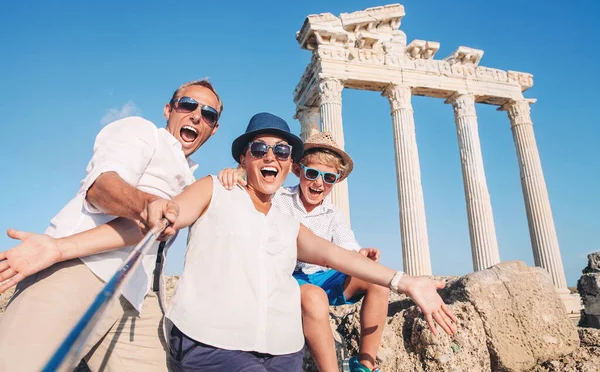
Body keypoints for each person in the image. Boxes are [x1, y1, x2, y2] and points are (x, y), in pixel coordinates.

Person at [2, 112, 456, 372]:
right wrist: (59, 248)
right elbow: (154, 223)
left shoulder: (286, 218)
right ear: (243, 157)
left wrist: (405, 281)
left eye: (282, 151)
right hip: (213, 344)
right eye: (260, 149)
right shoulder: (215, 189)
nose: (271, 157)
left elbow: (336, 254)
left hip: (281, 349)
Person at [0, 78, 222, 372]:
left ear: (214, 128)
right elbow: (101, 186)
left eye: (208, 113)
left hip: (138, 299)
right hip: (78, 271)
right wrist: (146, 205)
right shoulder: (142, 132)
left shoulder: (192, 180)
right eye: (188, 104)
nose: (197, 115)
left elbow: (141, 232)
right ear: (169, 109)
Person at [218, 131, 389, 372]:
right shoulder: (279, 198)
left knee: (378, 280)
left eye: (328, 178)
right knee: (314, 297)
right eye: (312, 174)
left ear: (336, 180)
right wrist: (237, 173)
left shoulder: (333, 214)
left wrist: (361, 255)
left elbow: (347, 246)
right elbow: (255, 187)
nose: (319, 183)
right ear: (298, 171)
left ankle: (365, 365)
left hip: (323, 278)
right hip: (287, 278)